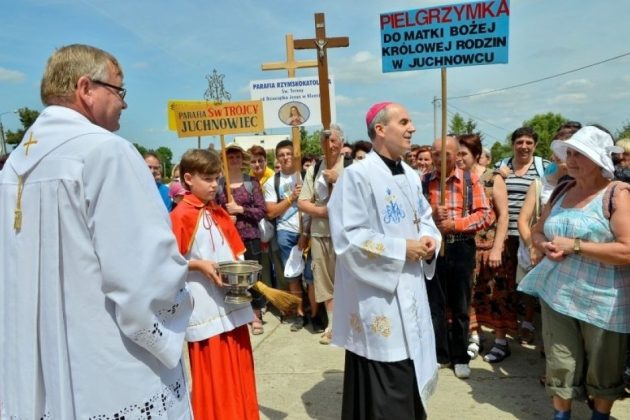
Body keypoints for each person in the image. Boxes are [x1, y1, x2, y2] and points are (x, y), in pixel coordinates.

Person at [0, 44, 219, 418]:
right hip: (109, 365)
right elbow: (144, 274)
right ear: (86, 88)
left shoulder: (16, 164)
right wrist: (185, 303)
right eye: (119, 91)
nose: (125, 104)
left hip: (36, 362)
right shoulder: (106, 152)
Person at [329, 102, 441, 419]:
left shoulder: (409, 174)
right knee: (386, 375)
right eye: (404, 121)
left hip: (412, 286)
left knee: (409, 368)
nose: (412, 128)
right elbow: (348, 237)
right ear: (381, 129)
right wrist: (400, 249)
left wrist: (431, 241)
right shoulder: (357, 176)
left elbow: (425, 218)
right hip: (380, 295)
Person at [518, 126, 630, 420]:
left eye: (581, 154)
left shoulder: (617, 194)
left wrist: (576, 246)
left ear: (600, 160)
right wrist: (545, 245)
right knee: (560, 361)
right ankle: (561, 416)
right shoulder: (562, 190)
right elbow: (538, 230)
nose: (571, 159)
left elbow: (627, 250)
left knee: (604, 367)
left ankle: (599, 416)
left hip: (604, 301)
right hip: (558, 294)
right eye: (570, 153)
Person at [171, 148, 259, 420]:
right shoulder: (180, 215)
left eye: (217, 179)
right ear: (188, 178)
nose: (214, 185)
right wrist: (197, 265)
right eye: (207, 179)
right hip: (204, 306)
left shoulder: (217, 211)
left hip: (231, 302)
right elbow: (165, 266)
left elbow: (235, 251)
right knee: (215, 374)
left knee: (239, 368)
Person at [423, 136, 493, 378]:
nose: (440, 159)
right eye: (435, 153)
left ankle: (460, 356)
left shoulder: (469, 179)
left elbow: (486, 216)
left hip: (461, 247)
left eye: (446, 154)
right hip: (433, 249)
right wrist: (430, 214)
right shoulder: (423, 182)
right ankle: (440, 355)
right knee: (435, 305)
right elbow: (412, 217)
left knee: (461, 305)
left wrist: (455, 224)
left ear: (457, 155)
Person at [494, 127, 549, 348]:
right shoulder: (502, 165)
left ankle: (527, 322)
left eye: (528, 142)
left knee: (528, 280)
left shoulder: (542, 167)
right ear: (513, 144)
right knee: (507, 280)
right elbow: (486, 183)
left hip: (531, 234)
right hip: (506, 234)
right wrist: (497, 174)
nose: (524, 146)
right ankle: (509, 320)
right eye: (519, 142)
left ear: (534, 146)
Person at [456, 134, 510, 362]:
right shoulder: (456, 178)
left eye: (463, 154)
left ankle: (500, 341)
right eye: (456, 154)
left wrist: (497, 247)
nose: (458, 159)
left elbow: (504, 215)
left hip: (490, 248)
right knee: (469, 295)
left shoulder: (492, 178)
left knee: (495, 295)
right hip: (466, 247)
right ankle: (475, 336)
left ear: (476, 155)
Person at [298, 124, 347, 344]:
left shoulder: (353, 166)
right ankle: (332, 325)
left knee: (348, 279)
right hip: (321, 233)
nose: (330, 145)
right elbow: (302, 202)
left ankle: (350, 323)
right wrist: (322, 212)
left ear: (342, 143)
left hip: (347, 234)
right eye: (325, 141)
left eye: (334, 140)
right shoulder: (314, 168)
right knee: (325, 281)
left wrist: (338, 180)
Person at [215, 143, 266, 335]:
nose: (234, 160)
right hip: (227, 239)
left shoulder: (251, 183)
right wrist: (225, 217)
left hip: (249, 237)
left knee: (252, 278)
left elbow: (261, 211)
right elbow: (213, 211)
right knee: (232, 279)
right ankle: (236, 314)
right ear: (225, 161)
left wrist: (241, 210)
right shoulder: (219, 184)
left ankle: (256, 315)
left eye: (237, 157)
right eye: (230, 157)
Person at [263, 140, 309, 330]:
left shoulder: (307, 176)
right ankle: (299, 313)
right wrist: (291, 198)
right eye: (281, 155)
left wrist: (306, 231)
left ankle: (316, 310)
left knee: (312, 275)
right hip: (285, 232)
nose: (285, 157)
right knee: (293, 275)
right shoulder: (272, 182)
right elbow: (272, 212)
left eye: (289, 153)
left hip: (308, 229)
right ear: (277, 158)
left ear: (295, 155)